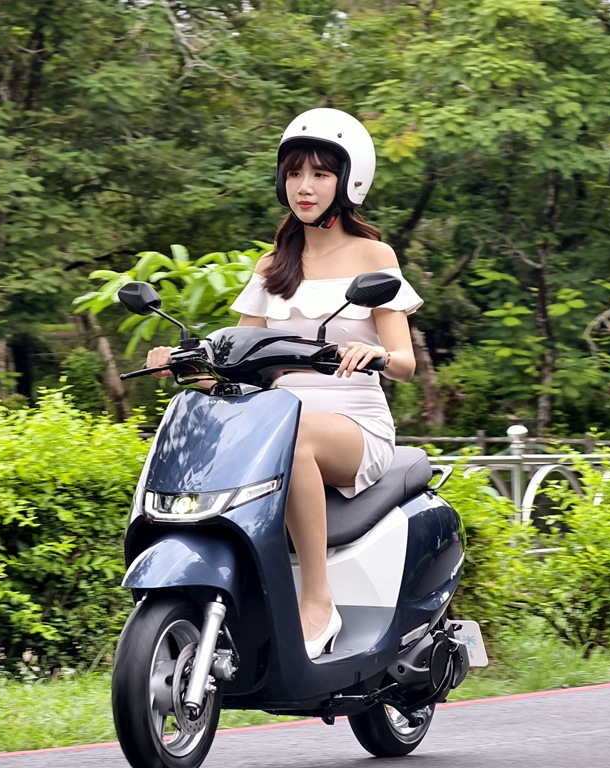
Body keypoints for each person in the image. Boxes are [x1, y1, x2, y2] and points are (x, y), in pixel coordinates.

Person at [145, 108, 422, 659]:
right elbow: (235, 357)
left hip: (353, 423)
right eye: (294, 173)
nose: (305, 186)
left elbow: (405, 363)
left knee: (293, 439)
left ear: (348, 181)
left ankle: (318, 599)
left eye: (320, 173)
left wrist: (376, 352)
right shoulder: (273, 266)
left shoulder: (374, 256)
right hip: (276, 420)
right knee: (237, 440)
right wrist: (179, 364)